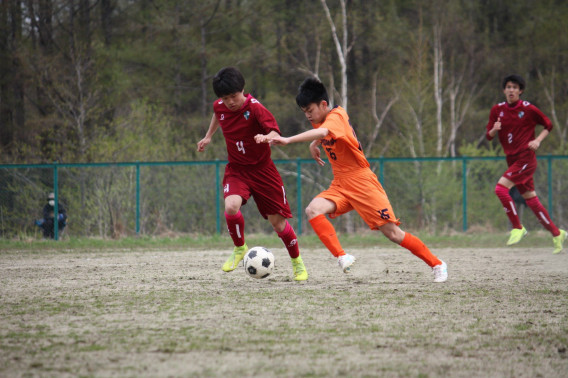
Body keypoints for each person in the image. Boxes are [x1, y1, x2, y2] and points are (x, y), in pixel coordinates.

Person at [255, 78, 448, 283]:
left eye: (309, 109)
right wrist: (314, 143)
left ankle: (437, 264)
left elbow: (325, 130)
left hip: (362, 182)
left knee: (393, 233)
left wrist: (289, 139)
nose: (307, 115)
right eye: (304, 111)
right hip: (340, 184)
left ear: (323, 104)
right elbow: (322, 132)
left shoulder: (337, 115)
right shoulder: (321, 119)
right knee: (313, 209)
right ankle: (342, 256)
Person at [197, 66, 308, 281]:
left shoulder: (255, 108)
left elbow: (275, 132)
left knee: (278, 224)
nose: (230, 101)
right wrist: (208, 136)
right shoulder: (219, 106)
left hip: (263, 172)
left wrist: (267, 138)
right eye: (225, 97)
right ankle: (240, 248)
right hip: (237, 170)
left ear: (243, 90)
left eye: (233, 96)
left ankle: (297, 262)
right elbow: (217, 114)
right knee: (231, 206)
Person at [486, 74, 566, 254]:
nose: (511, 90)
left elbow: (548, 125)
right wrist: (494, 129)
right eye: (508, 87)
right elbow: (488, 136)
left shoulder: (529, 109)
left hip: (526, 159)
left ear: (520, 91)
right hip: (512, 160)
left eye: (515, 87)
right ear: (504, 90)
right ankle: (557, 233)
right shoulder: (497, 110)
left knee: (500, 189)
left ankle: (517, 227)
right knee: (531, 200)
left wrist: (537, 141)